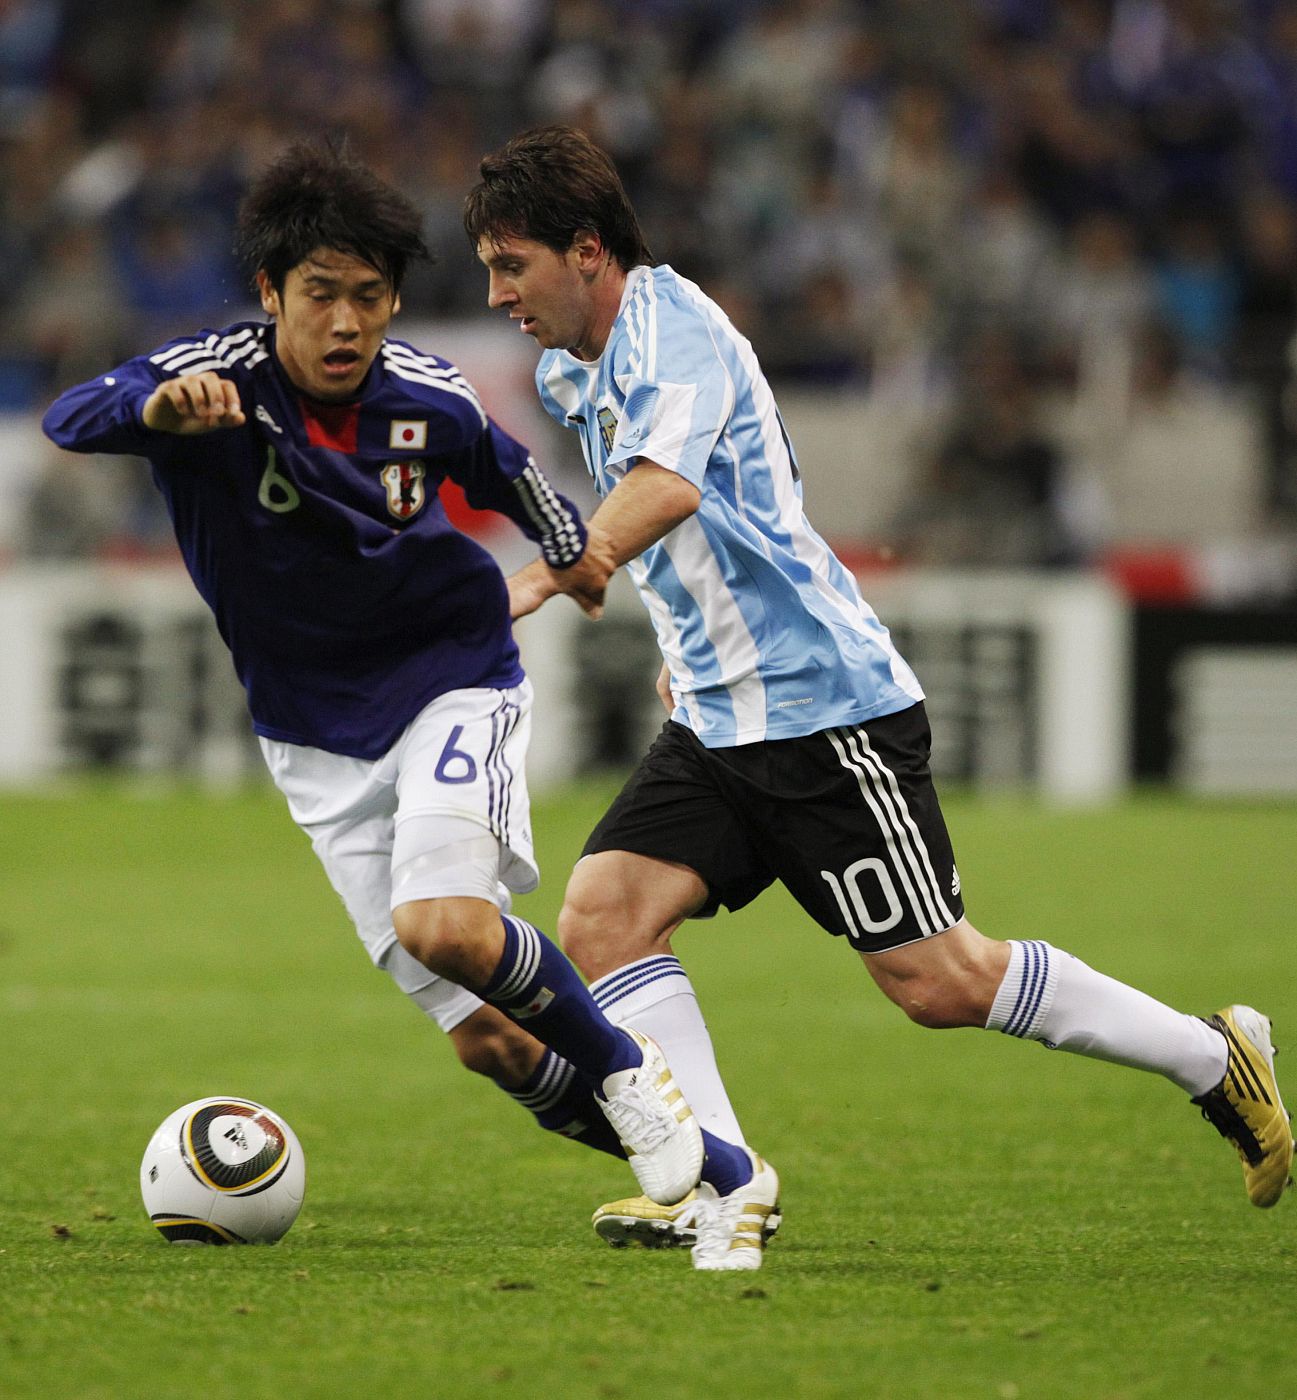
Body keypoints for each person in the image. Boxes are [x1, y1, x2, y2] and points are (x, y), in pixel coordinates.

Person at [463, 124, 1293, 1271]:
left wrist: (541, 578)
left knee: (939, 980)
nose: (499, 294)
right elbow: (729, 507)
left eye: (512, 265)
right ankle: (721, 1179)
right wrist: (682, 634)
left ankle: (1214, 1053)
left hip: (823, 713)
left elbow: (665, 488)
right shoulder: (575, 365)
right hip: (719, 712)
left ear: (588, 250)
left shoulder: (676, 327)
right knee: (603, 914)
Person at [41, 141, 710, 1217]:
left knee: (443, 923)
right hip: (311, 735)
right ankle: (720, 1174)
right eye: (320, 296)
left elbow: (513, 472)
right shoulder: (211, 378)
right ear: (272, 293)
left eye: (369, 297)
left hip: (450, 678)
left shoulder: (424, 398)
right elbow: (69, 417)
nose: (346, 323)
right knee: (489, 1041)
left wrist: (572, 563)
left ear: (394, 298)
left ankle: (634, 1078)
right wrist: (160, 417)